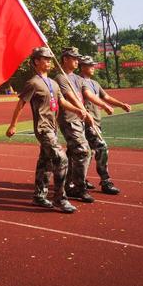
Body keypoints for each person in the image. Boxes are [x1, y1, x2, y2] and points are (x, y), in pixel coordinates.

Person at [6, 46, 87, 214]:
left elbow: (61, 102)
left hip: (53, 127)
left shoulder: (54, 83)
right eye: (46, 59)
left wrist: (77, 110)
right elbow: (21, 104)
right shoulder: (33, 83)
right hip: (43, 129)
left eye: (50, 59)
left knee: (46, 162)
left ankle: (39, 196)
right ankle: (60, 198)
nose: (49, 61)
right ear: (36, 61)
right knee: (61, 159)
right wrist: (13, 125)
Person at [78, 55, 131, 195]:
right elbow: (89, 96)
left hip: (96, 122)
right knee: (102, 148)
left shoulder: (94, 83)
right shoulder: (79, 82)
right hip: (87, 122)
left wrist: (121, 105)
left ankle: (78, 179)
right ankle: (105, 181)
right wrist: (105, 106)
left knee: (87, 152)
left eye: (93, 65)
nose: (93, 67)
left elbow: (105, 96)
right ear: (82, 67)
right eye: (90, 65)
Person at [54, 47, 95, 203]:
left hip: (79, 120)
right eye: (74, 58)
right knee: (84, 151)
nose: (77, 61)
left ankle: (68, 184)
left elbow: (86, 94)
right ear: (65, 59)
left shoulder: (77, 78)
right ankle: (79, 187)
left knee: (74, 153)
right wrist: (84, 112)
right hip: (69, 120)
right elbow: (71, 98)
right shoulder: (60, 78)